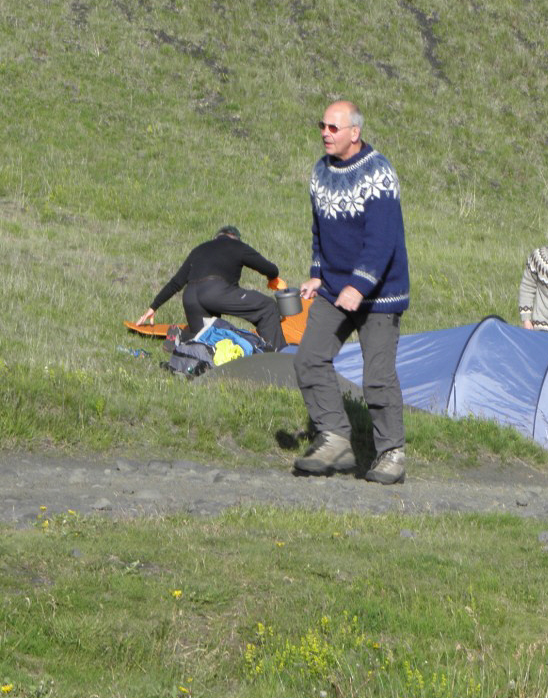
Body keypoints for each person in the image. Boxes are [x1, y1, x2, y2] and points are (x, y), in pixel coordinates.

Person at [292, 100, 409, 485]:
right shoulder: (320, 171)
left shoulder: (378, 172)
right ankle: (335, 439)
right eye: (322, 125)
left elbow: (382, 240)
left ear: (354, 133)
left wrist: (359, 286)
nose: (325, 133)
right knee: (309, 359)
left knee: (377, 377)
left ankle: (391, 452)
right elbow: (319, 230)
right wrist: (316, 274)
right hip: (333, 289)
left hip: (379, 294)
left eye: (333, 128)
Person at [135, 226, 286, 351]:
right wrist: (272, 278)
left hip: (190, 296)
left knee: (205, 338)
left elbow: (176, 282)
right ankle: (276, 355)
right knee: (267, 307)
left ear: (216, 237)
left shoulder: (199, 249)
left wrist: (153, 307)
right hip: (214, 292)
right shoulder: (237, 245)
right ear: (235, 238)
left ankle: (181, 337)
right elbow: (271, 269)